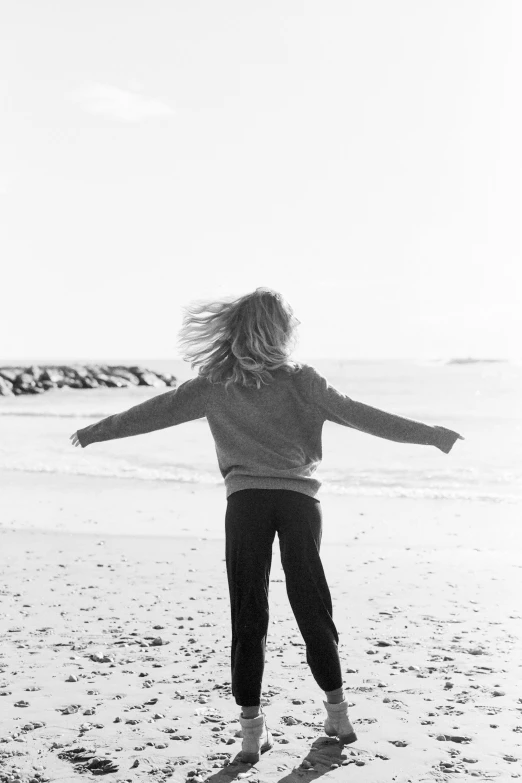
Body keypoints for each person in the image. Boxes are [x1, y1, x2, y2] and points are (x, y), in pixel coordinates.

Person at [70, 286, 464, 765]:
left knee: (248, 615)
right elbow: (363, 416)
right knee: (312, 606)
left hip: (246, 506)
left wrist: (97, 430)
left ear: (235, 330)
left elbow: (153, 412)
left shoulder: (214, 384)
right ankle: (338, 715)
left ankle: (252, 734)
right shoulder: (304, 382)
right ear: (280, 331)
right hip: (299, 504)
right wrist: (433, 436)